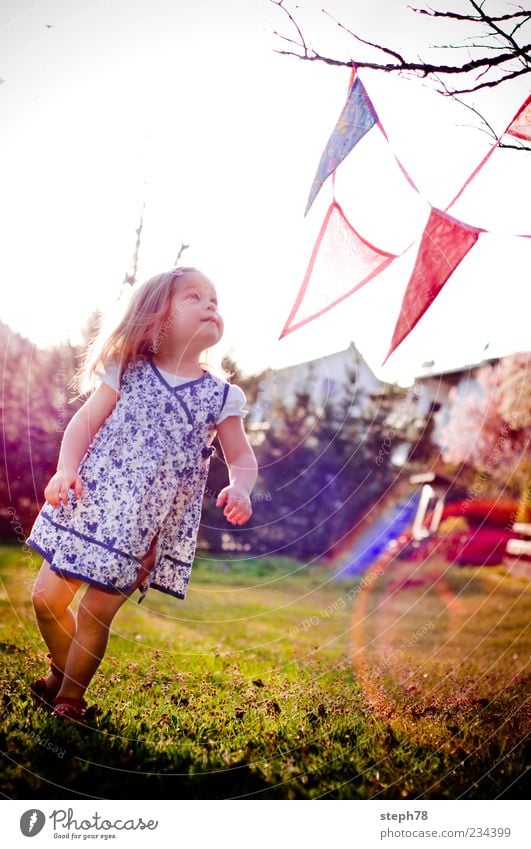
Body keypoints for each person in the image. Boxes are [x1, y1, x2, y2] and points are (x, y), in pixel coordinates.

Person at [25, 266, 258, 722]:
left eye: (215, 299)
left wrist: (241, 487)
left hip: (145, 528)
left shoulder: (221, 396)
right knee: (45, 598)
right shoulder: (127, 371)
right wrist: (65, 470)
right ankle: (59, 670)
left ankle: (70, 700)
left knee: (94, 613)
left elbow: (242, 457)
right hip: (89, 505)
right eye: (195, 296)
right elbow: (83, 425)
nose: (211, 305)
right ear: (158, 316)